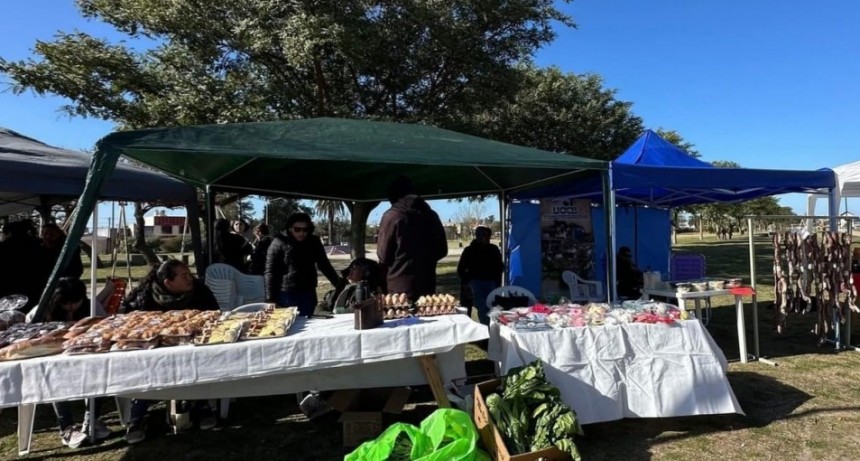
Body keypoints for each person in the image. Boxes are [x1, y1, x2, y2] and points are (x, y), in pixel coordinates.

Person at [121, 260, 220, 444]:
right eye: (184, 276)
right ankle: (137, 418)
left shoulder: (199, 290)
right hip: (153, 351)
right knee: (142, 370)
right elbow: (130, 323)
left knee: (199, 363)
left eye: (189, 274)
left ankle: (202, 406)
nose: (190, 278)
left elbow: (215, 314)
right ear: (168, 283)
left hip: (192, 347)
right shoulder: (145, 295)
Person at [46, 278, 109, 448]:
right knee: (55, 379)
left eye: (76, 302)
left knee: (99, 372)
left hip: (87, 356)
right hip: (55, 361)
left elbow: (106, 327)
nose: (71, 307)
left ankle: (92, 419)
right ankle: (66, 427)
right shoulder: (42, 310)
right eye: (65, 304)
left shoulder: (91, 307)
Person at [377, 176, 448, 299]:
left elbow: (383, 255)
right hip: (427, 285)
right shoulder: (431, 215)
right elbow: (442, 250)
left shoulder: (392, 216)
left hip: (398, 288)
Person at [264, 213, 341, 317]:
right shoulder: (278, 242)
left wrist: (339, 284)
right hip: (286, 293)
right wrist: (270, 298)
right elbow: (270, 271)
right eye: (297, 229)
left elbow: (324, 265)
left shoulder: (314, 241)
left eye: (305, 230)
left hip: (308, 292)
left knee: (309, 323)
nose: (302, 233)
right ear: (290, 228)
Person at [457, 226, 503, 325]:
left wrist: (497, 280)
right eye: (484, 236)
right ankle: (487, 331)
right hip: (475, 282)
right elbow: (461, 269)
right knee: (482, 306)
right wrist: (467, 281)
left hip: (491, 282)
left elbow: (500, 267)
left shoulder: (493, 249)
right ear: (478, 236)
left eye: (488, 236)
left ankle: (491, 329)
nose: (487, 238)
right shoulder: (469, 250)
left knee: (491, 306)